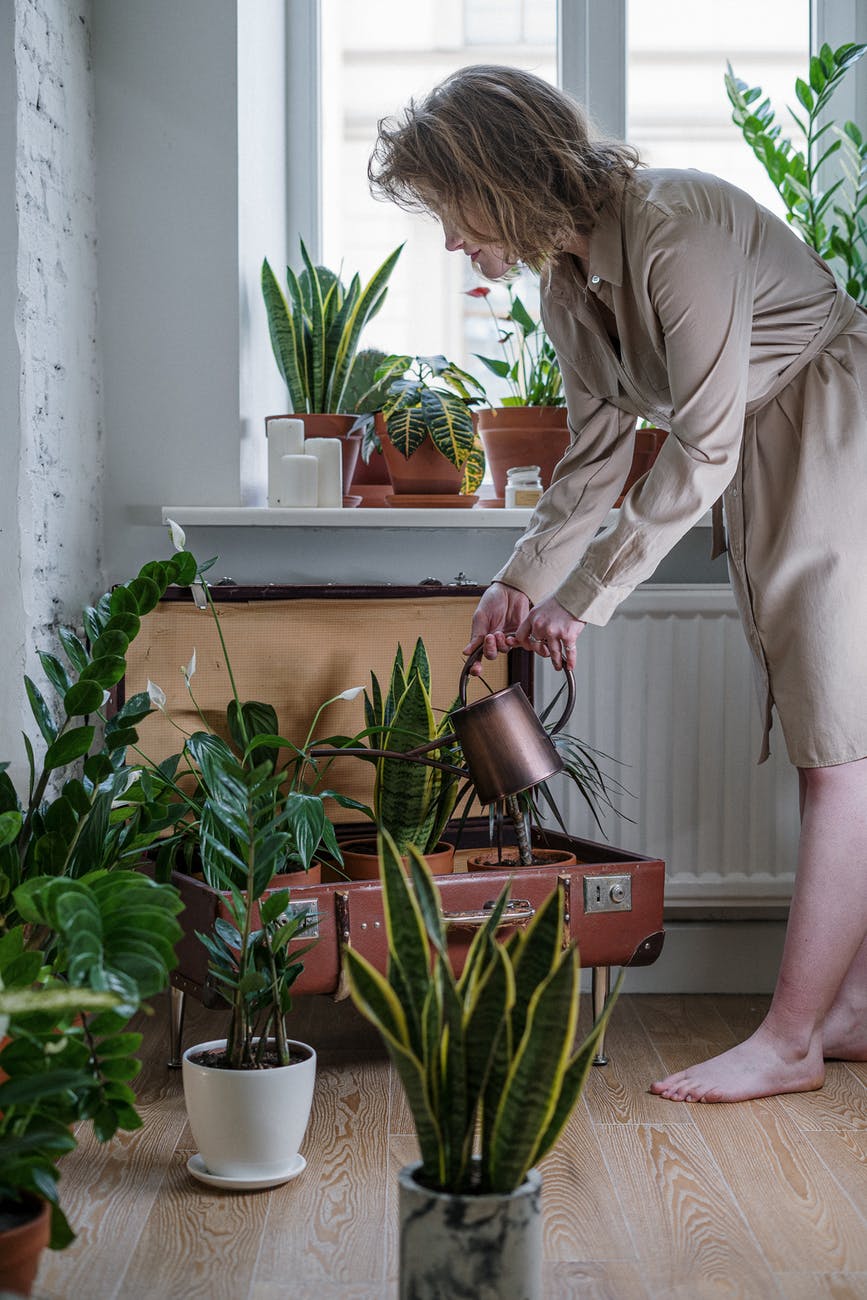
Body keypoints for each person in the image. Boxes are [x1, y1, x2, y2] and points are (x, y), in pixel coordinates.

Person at [367, 63, 867, 1104]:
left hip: (829, 425)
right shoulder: (564, 283)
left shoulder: (674, 230)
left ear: (497, 175)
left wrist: (580, 601)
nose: (453, 242)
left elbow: (702, 444)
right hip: (767, 447)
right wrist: (519, 585)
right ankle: (850, 1010)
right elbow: (596, 458)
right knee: (844, 742)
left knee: (839, 748)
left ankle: (788, 1040)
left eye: (451, 211)